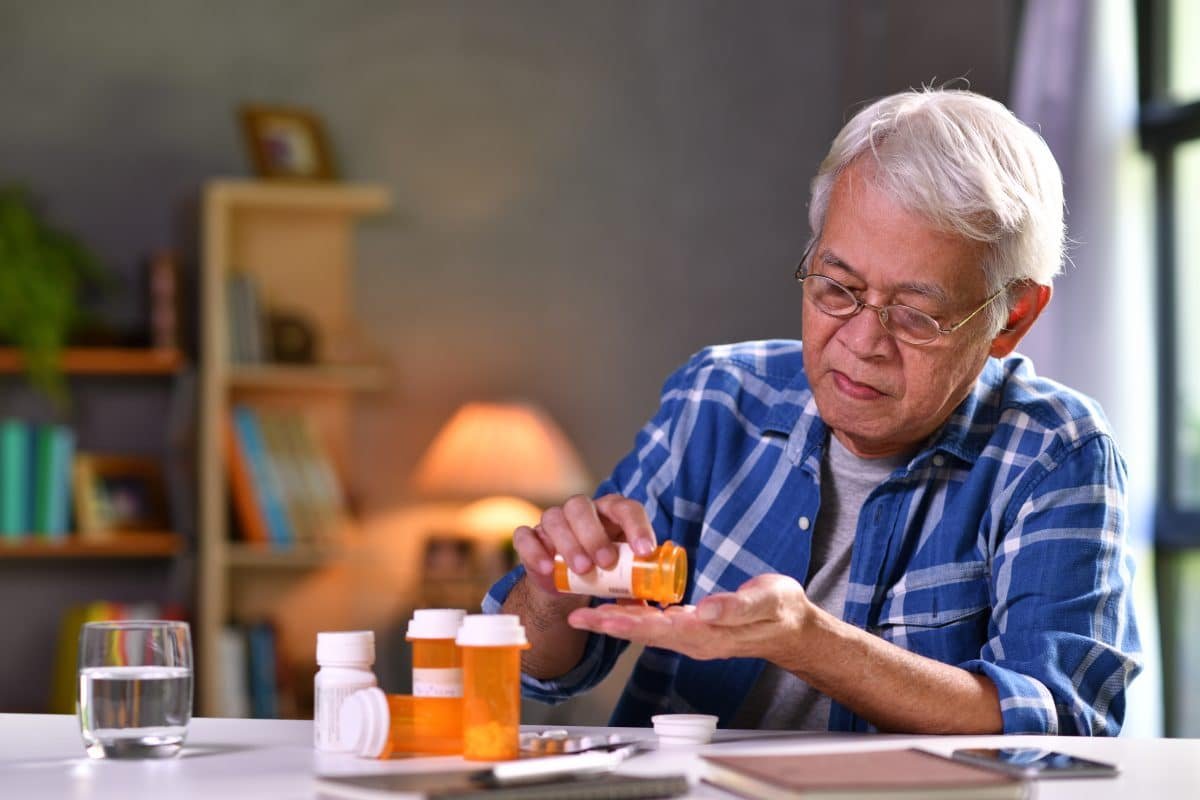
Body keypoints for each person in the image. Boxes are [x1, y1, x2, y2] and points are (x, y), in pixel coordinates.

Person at [483, 88, 1142, 735]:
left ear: (1012, 316)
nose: (861, 343)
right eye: (837, 288)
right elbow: (540, 667)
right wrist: (551, 589)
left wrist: (808, 640)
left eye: (915, 315)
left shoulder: (1055, 450)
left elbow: (1058, 720)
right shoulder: (719, 398)